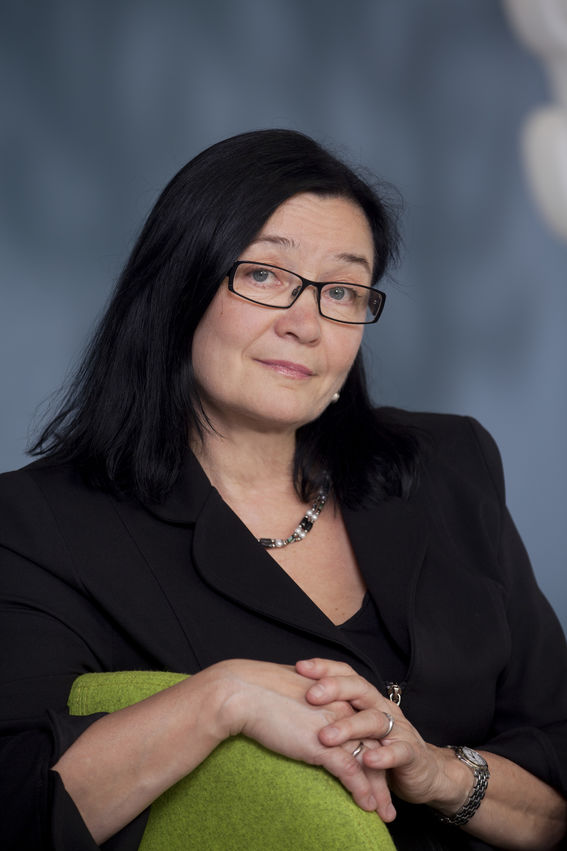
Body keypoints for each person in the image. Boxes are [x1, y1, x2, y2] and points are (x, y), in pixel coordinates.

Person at [1, 129, 566, 851]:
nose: (306, 324)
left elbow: (555, 760)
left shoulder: (447, 465)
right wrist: (220, 699)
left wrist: (438, 773)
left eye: (342, 290)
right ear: (178, 286)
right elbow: (17, 803)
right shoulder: (40, 525)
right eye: (266, 275)